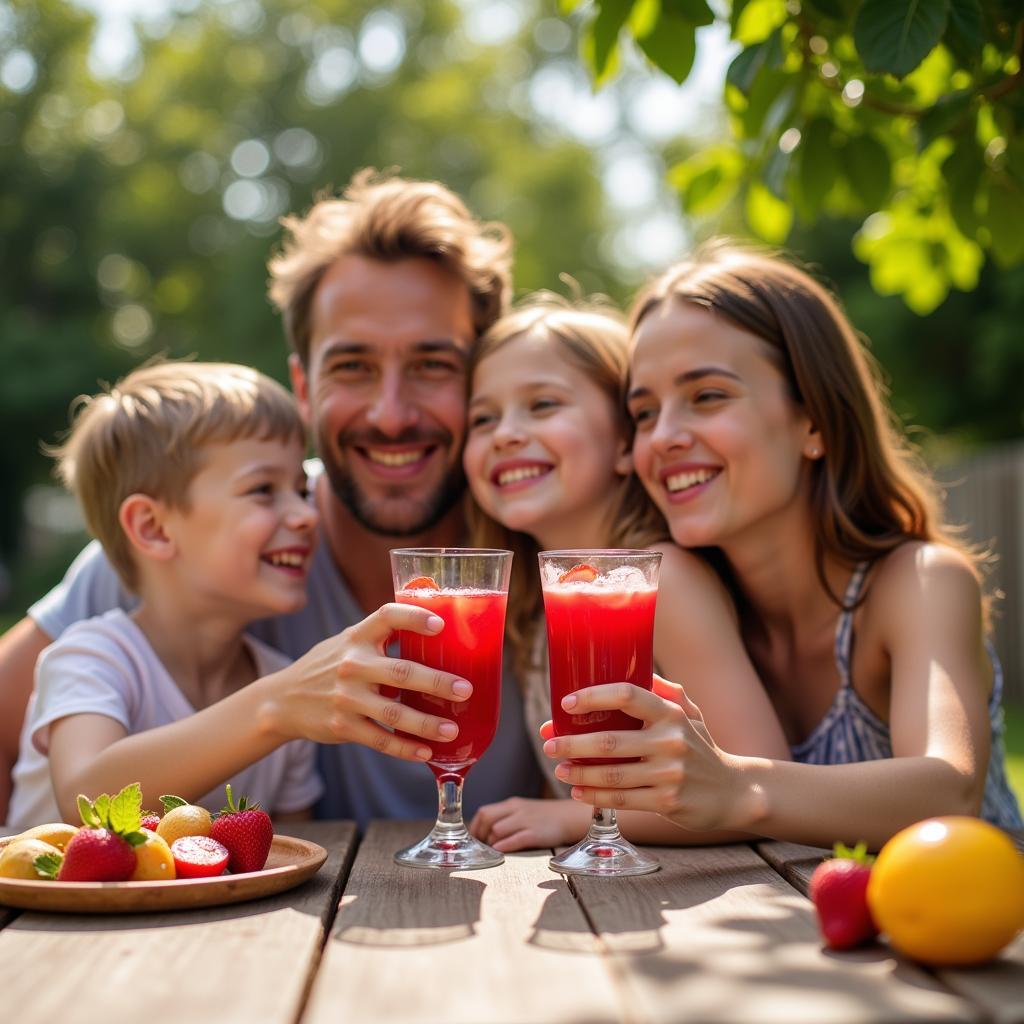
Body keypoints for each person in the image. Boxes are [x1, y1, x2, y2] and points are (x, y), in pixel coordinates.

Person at [0, 169, 544, 827]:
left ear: (483, 380)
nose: (392, 414)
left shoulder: (548, 554)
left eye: (433, 365)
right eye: (353, 367)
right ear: (304, 385)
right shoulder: (190, 544)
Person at [538, 241, 1023, 849]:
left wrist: (737, 788)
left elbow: (950, 791)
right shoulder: (683, 600)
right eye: (643, 413)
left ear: (814, 420)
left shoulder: (922, 581)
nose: (662, 438)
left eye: (707, 396)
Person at [462, 297, 792, 853]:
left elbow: (759, 780)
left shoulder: (665, 581)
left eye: (542, 404)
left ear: (624, 441)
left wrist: (572, 819)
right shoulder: (529, 605)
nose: (506, 434)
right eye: (483, 418)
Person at [8, 361, 324, 825]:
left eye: (302, 490)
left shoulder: (280, 686)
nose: (306, 515)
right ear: (153, 528)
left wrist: (279, 706)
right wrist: (273, 710)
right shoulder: (91, 659)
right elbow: (88, 803)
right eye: (263, 490)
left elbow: (306, 852)